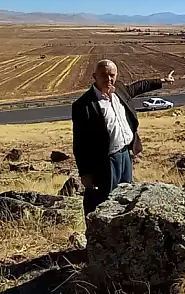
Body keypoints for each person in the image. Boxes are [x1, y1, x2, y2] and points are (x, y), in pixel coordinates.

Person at [71, 59, 174, 215]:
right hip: (106, 161)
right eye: (103, 75)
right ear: (94, 76)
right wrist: (84, 173)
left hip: (126, 154)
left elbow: (139, 86)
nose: (108, 79)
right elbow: (79, 142)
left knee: (127, 195)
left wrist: (161, 81)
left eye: (112, 75)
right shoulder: (84, 105)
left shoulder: (119, 89)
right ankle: (101, 232)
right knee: (106, 199)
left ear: (116, 75)